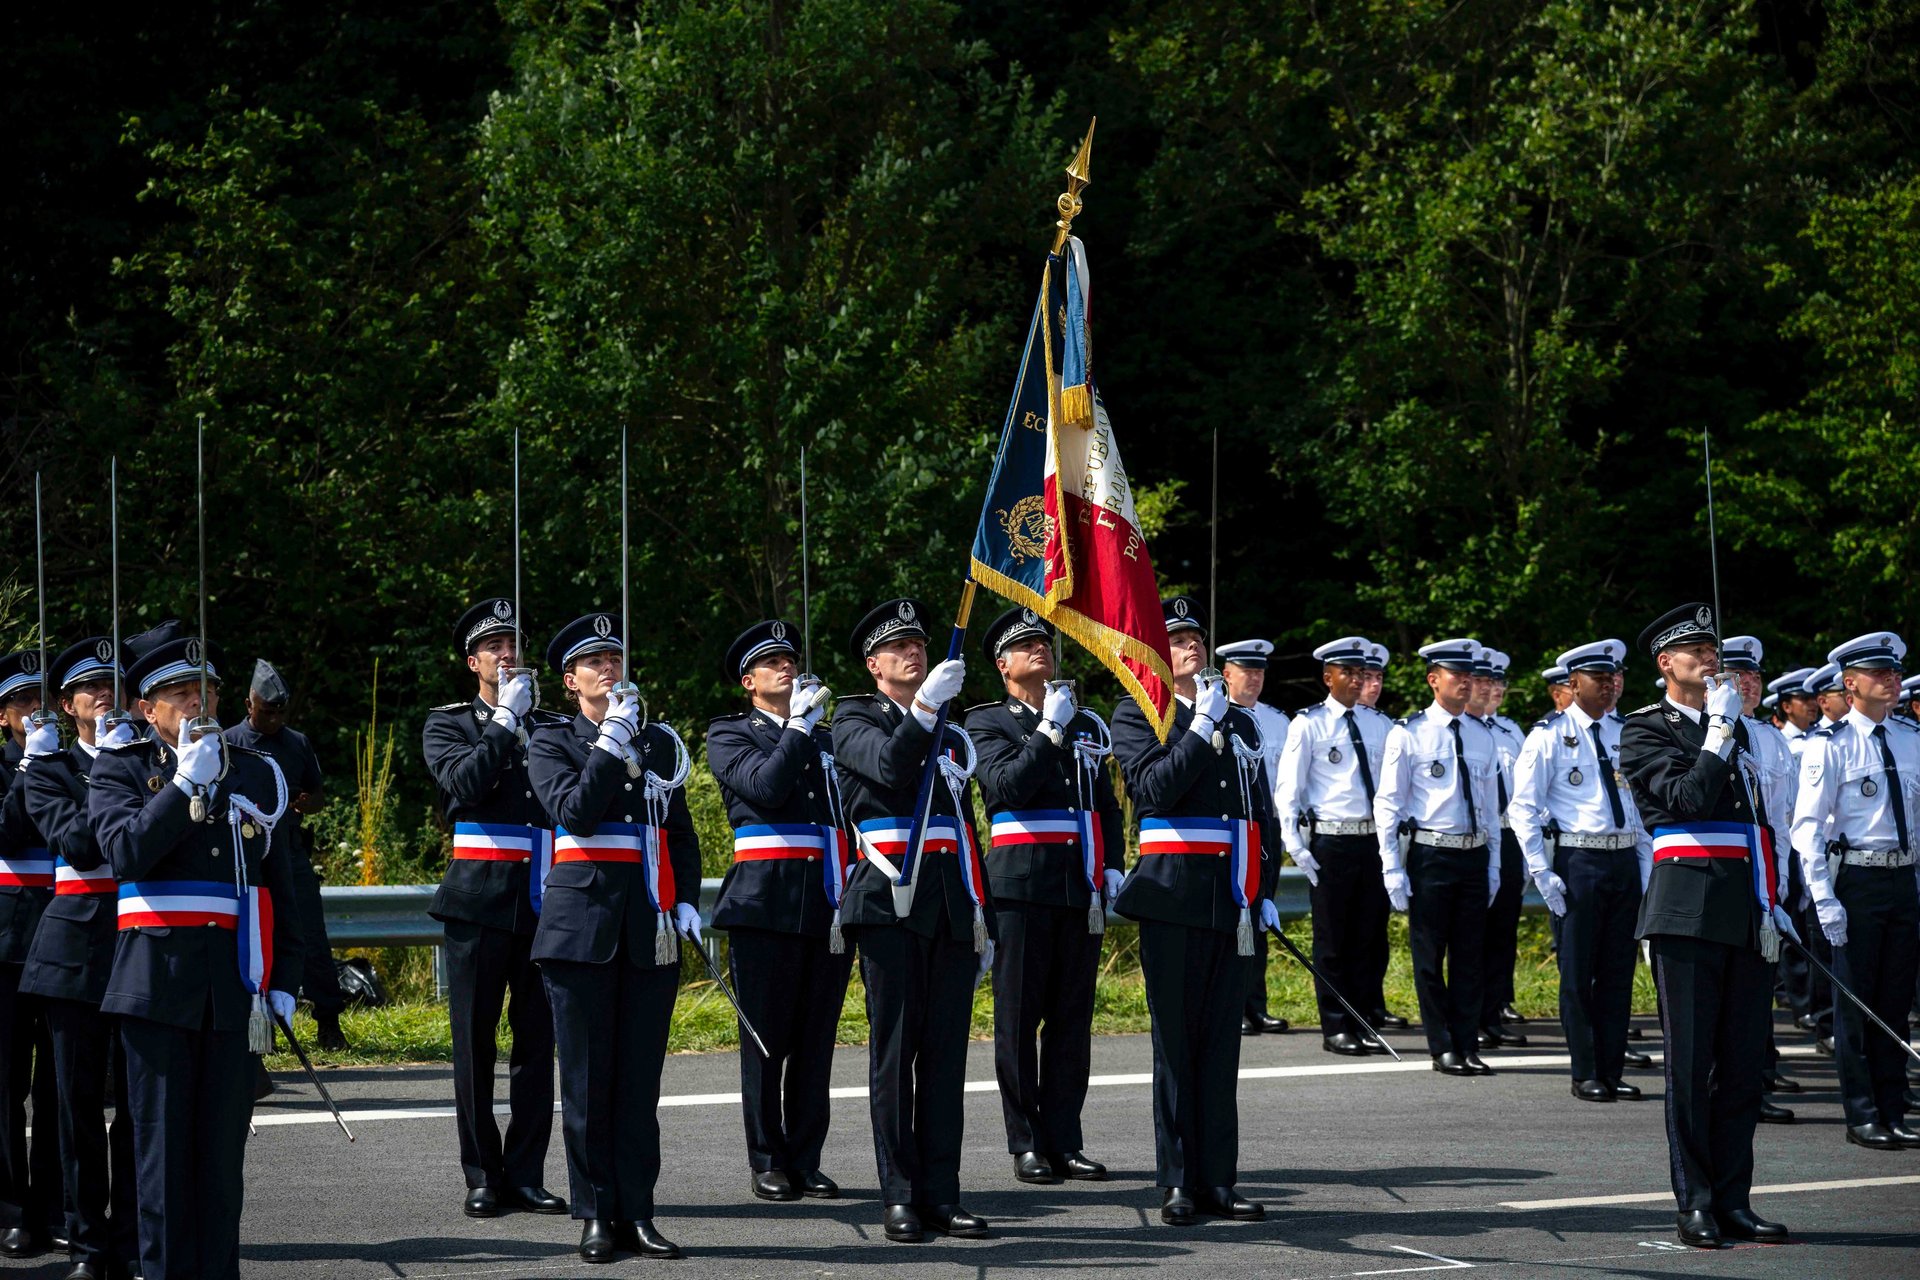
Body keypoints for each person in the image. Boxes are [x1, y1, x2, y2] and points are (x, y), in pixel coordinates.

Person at [90, 621, 305, 1279]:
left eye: (205, 690)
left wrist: (284, 982)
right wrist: (184, 786)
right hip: (154, 986)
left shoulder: (256, 774)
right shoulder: (121, 769)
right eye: (177, 693)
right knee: (160, 1164)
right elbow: (125, 852)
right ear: (144, 708)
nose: (195, 704)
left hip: (231, 988)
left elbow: (285, 886)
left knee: (221, 1167)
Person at [1617, 602, 1793, 1249]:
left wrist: (1773, 901)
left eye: (1712, 648)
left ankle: (1734, 1200)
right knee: (1691, 1067)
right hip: (1685, 914)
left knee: (1744, 1067)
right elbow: (1684, 802)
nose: (1709, 659)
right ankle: (1694, 1203)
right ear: (1666, 664)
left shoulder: (1741, 729)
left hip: (1744, 908)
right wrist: (1718, 736)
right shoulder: (1644, 730)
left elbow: (1760, 823)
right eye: (1695, 650)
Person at [526, 612, 700, 1262]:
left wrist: (682, 901)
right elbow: (574, 811)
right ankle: (596, 1212)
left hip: (647, 926)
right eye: (594, 661)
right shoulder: (551, 742)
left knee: (638, 1086)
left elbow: (678, 833)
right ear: (571, 680)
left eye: (616, 658)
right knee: (588, 1082)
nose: (609, 668)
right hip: (581, 931)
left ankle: (639, 1213)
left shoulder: (658, 743)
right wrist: (609, 741)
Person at [1111, 596, 1277, 1227]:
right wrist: (1200, 729)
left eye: (1195, 639)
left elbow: (1258, 811)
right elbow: (1154, 789)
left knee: (1220, 1047)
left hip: (1229, 898)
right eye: (1176, 639)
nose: (1190, 648)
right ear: (1154, 652)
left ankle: (1219, 1181)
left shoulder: (1240, 722)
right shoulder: (1137, 713)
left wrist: (1261, 892)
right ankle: (1178, 1180)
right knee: (1176, 1044)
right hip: (1172, 896)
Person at [833, 597, 994, 1243]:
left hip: (949, 904)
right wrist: (926, 707)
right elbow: (891, 767)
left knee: (946, 1060)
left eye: (919, 644)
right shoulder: (850, 717)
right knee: (895, 1056)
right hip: (889, 903)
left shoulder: (949, 729)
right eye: (898, 647)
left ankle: (941, 1194)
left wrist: (983, 913)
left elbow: (962, 824)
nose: (914, 651)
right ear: (874, 664)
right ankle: (899, 1194)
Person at [966, 606, 1122, 1185]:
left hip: (1077, 884)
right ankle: (1025, 1141)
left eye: (1044, 642)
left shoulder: (1084, 722)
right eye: (1026, 645)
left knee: (1071, 1019)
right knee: (1018, 1018)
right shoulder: (987, 722)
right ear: (1003, 665)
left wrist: (1112, 864)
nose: (1041, 649)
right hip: (1020, 885)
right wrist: (1049, 729)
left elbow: (1102, 801)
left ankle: (1065, 1138)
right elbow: (1006, 786)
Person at [421, 598, 566, 1220]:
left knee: (537, 1046)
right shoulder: (449, 723)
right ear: (473, 660)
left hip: (546, 899)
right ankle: (482, 1172)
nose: (507, 655)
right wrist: (504, 721)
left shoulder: (553, 724)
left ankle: (527, 1172)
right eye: (495, 646)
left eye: (515, 645)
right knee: (475, 1044)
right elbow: (465, 784)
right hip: (480, 899)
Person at [707, 619, 854, 1202]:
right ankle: (767, 1157)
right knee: (766, 1041)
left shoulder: (825, 736)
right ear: (749, 681)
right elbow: (765, 789)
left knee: (817, 1040)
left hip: (823, 899)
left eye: (790, 659)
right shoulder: (729, 733)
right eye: (772, 663)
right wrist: (797, 728)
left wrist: (812, 731)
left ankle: (806, 1156)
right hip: (763, 903)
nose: (786, 667)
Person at [18, 638, 138, 1280]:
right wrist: (112, 774)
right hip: (76, 955)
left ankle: (132, 1237)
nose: (105, 695)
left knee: (140, 1110)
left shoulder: (154, 762)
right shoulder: (50, 768)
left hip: (142, 948)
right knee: (77, 1109)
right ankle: (89, 1244)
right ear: (67, 705)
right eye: (90, 687)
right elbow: (80, 844)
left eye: (114, 684)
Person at [1789, 632, 1920, 1151]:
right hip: (1857, 881)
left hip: (1902, 878)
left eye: (1893, 672)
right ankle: (1862, 1112)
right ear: (1851, 683)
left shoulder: (1910, 737)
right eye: (1878, 673)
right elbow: (1808, 829)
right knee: (1857, 1003)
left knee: (1894, 1001)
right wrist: (1823, 898)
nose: (1891, 680)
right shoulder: (1830, 744)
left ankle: (1893, 1107)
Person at [1510, 639, 1649, 1104]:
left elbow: (1639, 809)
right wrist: (1541, 872)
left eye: (1614, 678)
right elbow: (1524, 809)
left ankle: (1612, 1068)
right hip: (1579, 859)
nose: (1611, 686)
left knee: (1617, 972)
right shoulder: (1548, 735)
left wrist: (1646, 869)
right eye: (1600, 678)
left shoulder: (1626, 732)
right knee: (1578, 973)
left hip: (1623, 857)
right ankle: (1585, 1070)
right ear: (1573, 684)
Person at [1374, 639, 1501, 1076]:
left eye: (1471, 676)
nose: (1466, 682)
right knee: (1430, 957)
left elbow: (1490, 808)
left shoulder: (1483, 735)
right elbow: (1388, 804)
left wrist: (1495, 864)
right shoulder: (1408, 733)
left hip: (1473, 854)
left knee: (1470, 958)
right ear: (1434, 680)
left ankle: (1467, 1043)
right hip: (1431, 855)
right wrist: (1391, 867)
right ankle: (1441, 1044)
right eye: (1456, 675)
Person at [1274, 636, 1394, 1056]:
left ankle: (1364, 1020)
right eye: (1350, 672)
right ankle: (1337, 1025)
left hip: (1373, 841)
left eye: (1363, 672)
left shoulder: (1381, 725)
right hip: (1332, 841)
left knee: (1369, 938)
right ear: (1328, 677)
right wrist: (1296, 845)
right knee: (1333, 940)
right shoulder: (1309, 724)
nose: (1359, 679)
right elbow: (1289, 790)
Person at [223, 660, 343, 1050]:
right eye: (266, 712)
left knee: (310, 936)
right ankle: (258, 1025)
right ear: (248, 704)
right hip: (246, 856)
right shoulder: (229, 742)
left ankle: (328, 1021)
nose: (273, 720)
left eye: (279, 713)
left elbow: (318, 794)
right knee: (250, 939)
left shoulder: (297, 743)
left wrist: (308, 804)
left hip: (290, 854)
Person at [1719, 637, 1801, 1122]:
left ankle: (1754, 1083)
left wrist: (1783, 880)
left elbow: (1783, 820)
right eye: (1736, 675)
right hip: (1725, 875)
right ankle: (1731, 1088)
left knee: (1754, 993)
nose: (1748, 683)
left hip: (1766, 875)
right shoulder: (1710, 734)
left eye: (1753, 676)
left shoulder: (1772, 739)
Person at [0, 651, 62, 1258]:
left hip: (65, 935)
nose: (33, 713)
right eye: (22, 703)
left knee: (60, 1086)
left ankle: (54, 1200)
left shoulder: (72, 761)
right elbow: (9, 829)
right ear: (3, 716)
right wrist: (30, 767)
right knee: (6, 1079)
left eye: (41, 701)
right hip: (9, 943)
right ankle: (12, 1201)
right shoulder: (13, 764)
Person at [1217, 638, 1290, 1036]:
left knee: (1261, 915)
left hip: (1267, 825)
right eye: (1248, 671)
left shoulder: (1278, 721)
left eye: (1261, 671)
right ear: (1227, 674)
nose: (1256, 678)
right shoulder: (1217, 716)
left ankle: (1256, 1005)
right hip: (1232, 826)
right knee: (1233, 916)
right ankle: (1233, 1004)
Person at [1473, 649, 1529, 1048]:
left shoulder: (1511, 731)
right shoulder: (1465, 729)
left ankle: (1494, 1009)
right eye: (1485, 682)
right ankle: (1470, 1012)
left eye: (1498, 683)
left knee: (1503, 930)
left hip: (1509, 834)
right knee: (1471, 932)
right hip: (1474, 836)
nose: (1493, 689)